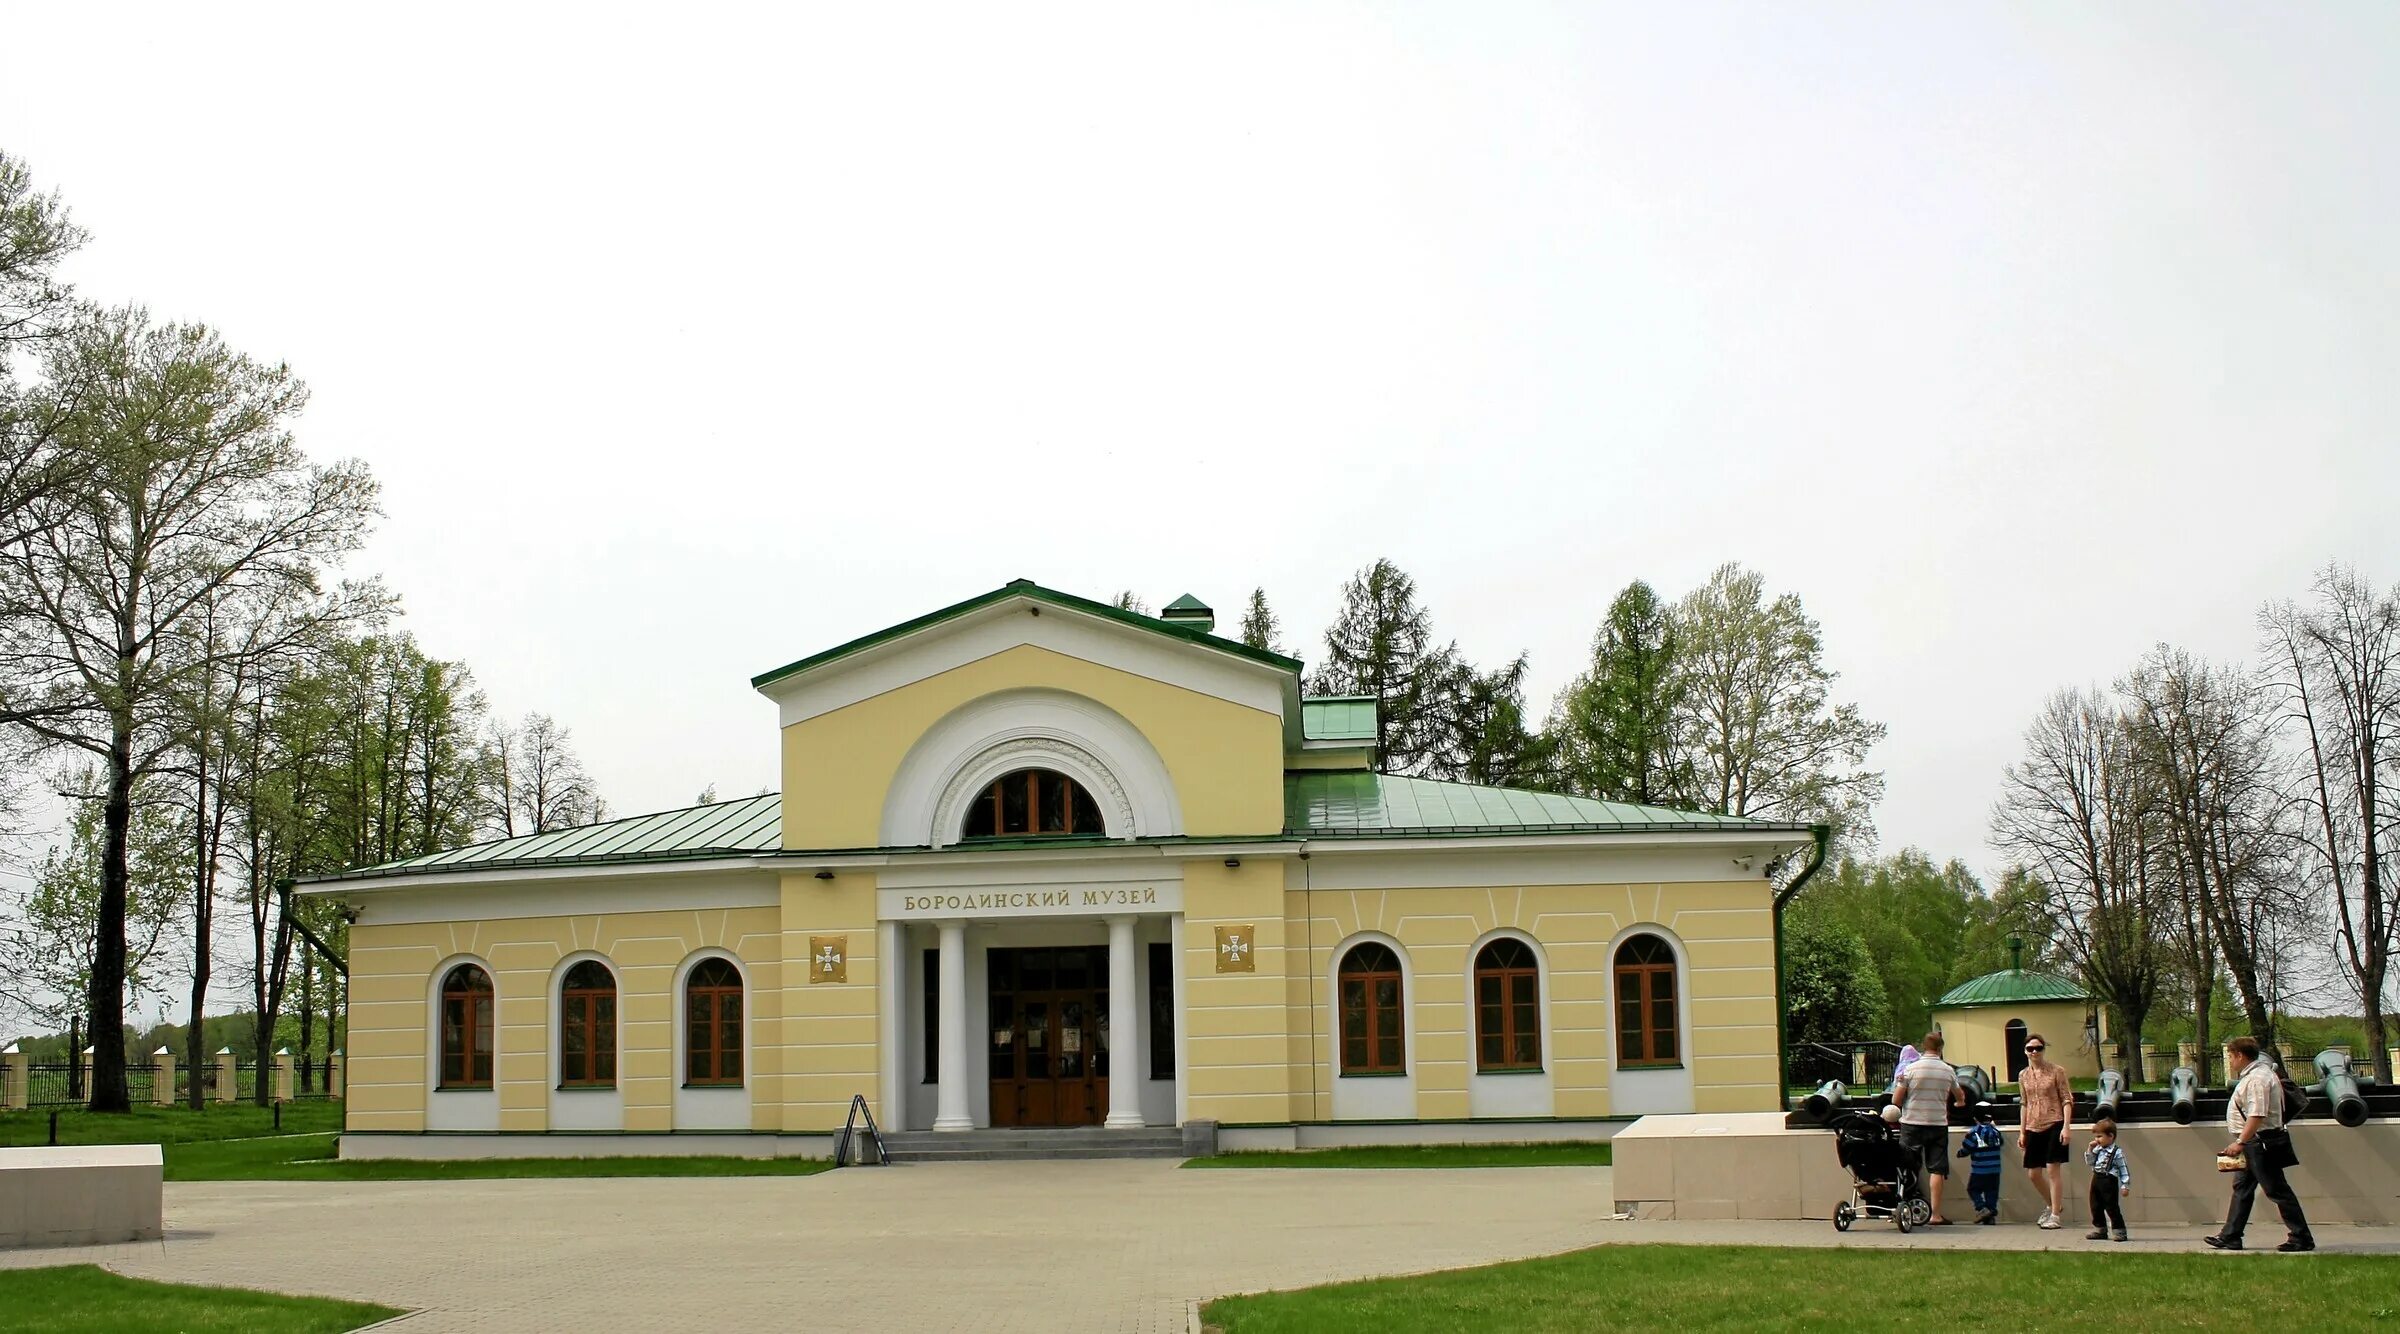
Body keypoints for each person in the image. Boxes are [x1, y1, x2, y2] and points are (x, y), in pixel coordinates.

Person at [2205, 1036, 2315, 1253]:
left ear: (2240, 1055)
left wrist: (2240, 1142)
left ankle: (2301, 1237)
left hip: (2260, 1143)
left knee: (2277, 1190)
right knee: (2242, 1189)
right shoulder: (2262, 1074)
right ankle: (2231, 1236)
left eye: (2230, 1056)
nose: (2230, 1061)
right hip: (2259, 1142)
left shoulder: (2256, 1079)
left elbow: (2257, 1114)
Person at [1890, 1030, 1965, 1225]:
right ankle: (1936, 1215)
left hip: (1911, 1124)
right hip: (1937, 1124)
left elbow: (1896, 1100)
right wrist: (1958, 1104)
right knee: (1937, 1169)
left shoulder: (1911, 1069)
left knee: (1906, 1166)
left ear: (1924, 1047)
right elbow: (1960, 1096)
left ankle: (1902, 1209)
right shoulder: (1947, 1070)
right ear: (1940, 1048)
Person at [2015, 1032, 2074, 1229]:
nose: (2034, 1052)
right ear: (2025, 1051)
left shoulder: (2056, 1071)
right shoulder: (2023, 1075)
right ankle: (2052, 1204)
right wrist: (2022, 1131)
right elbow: (2024, 1102)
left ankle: (2055, 1215)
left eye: (2038, 1048)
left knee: (2052, 1169)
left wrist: (2066, 1127)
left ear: (2043, 1049)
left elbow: (2066, 1099)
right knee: (2033, 1173)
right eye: (2030, 1049)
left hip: (2054, 1122)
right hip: (2033, 1125)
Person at [2084, 1117, 2131, 1241]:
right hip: (2096, 1179)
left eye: (2100, 1136)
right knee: (2095, 1205)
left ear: (2110, 1136)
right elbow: (2090, 1163)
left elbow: (2123, 1169)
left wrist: (2125, 1185)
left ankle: (2120, 1231)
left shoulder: (2117, 1152)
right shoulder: (2097, 1150)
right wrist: (2090, 1149)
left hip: (2108, 1181)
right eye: (2096, 1137)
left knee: (2111, 1206)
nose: (2096, 1140)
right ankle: (2100, 1229)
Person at [1956, 1108, 2004, 1225]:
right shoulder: (1995, 1132)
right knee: (1992, 1192)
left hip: (1980, 1170)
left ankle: (1982, 1208)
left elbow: (1967, 1148)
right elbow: (2001, 1143)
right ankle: (1990, 1215)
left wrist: (1960, 1153)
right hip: (1995, 1170)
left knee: (1973, 1189)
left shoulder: (1974, 1133)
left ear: (1975, 1119)